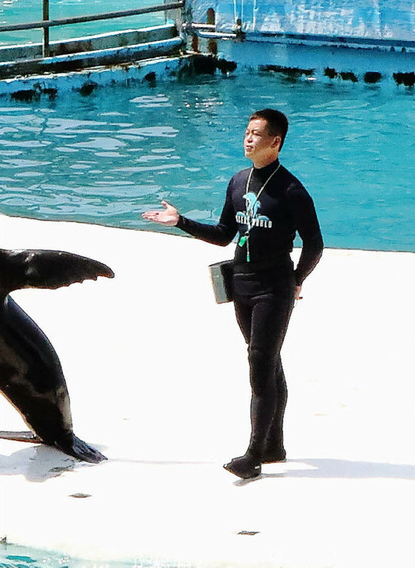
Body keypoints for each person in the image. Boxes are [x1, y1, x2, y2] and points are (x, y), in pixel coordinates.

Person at [142, 108, 323, 480]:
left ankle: (253, 454)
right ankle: (274, 445)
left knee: (259, 363)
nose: (248, 139)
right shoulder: (238, 181)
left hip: (274, 287)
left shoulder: (291, 190)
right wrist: (181, 223)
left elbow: (315, 245)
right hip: (240, 283)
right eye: (247, 132)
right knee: (267, 362)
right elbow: (225, 234)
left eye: (257, 134)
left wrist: (297, 279)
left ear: (275, 142)